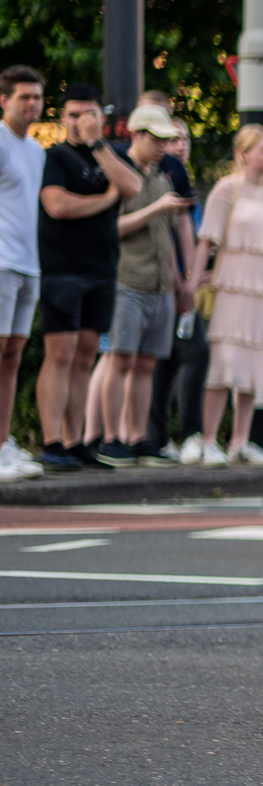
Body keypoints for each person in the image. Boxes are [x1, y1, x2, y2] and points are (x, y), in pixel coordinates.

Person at [36, 84, 143, 470]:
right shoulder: (54, 157)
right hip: (62, 267)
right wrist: (104, 200)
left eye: (89, 114)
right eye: (74, 115)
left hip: (102, 268)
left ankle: (76, 439)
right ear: (62, 119)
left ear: (101, 117)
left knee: (85, 355)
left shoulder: (109, 154)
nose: (81, 122)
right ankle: (52, 442)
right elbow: (57, 204)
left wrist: (98, 145)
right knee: (60, 353)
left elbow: (132, 187)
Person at [93, 104, 192, 465]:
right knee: (121, 360)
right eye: (156, 139)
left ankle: (138, 438)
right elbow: (110, 229)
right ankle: (110, 437)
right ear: (135, 135)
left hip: (161, 284)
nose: (164, 146)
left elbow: (172, 231)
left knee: (147, 364)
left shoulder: (162, 175)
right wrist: (155, 210)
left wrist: (181, 281)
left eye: (167, 139)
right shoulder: (120, 174)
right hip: (128, 280)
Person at [186, 127, 263, 465]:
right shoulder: (226, 189)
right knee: (223, 364)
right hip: (232, 287)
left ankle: (240, 441)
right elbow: (207, 240)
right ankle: (210, 439)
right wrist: (192, 283)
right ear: (244, 154)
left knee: (256, 363)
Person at [0, 65, 47, 480]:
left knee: (12, 356)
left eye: (36, 97)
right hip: (1, 263)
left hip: (29, 264)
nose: (31, 104)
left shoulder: (36, 150)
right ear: (4, 100)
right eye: (23, 97)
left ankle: (4, 442)